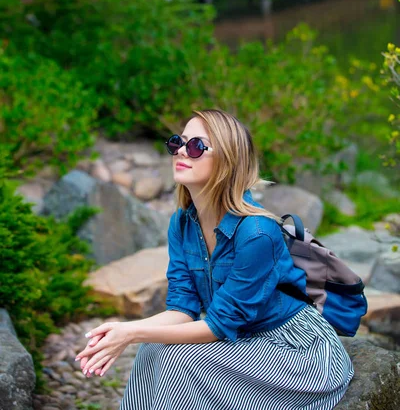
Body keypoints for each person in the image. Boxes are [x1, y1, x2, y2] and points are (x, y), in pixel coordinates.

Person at [76, 109, 354, 410]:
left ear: (227, 161)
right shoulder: (182, 223)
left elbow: (219, 326)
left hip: (297, 351)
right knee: (151, 350)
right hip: (244, 339)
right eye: (177, 143)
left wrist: (130, 332)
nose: (181, 151)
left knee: (176, 359)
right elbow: (183, 308)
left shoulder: (257, 233)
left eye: (196, 146)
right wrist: (125, 331)